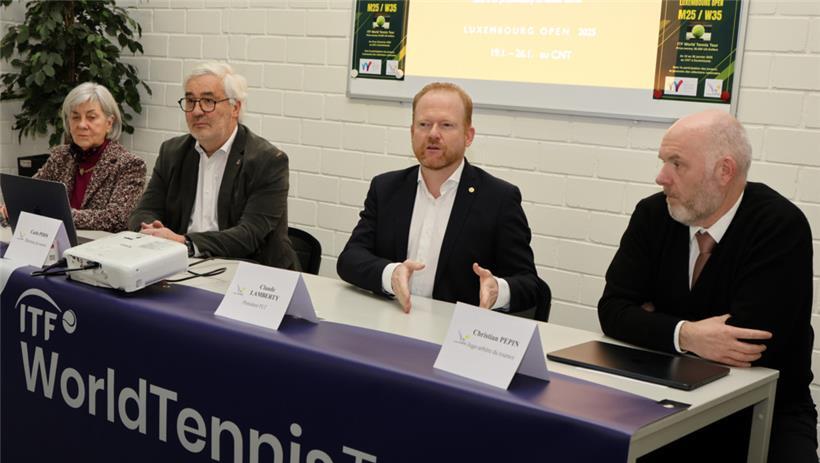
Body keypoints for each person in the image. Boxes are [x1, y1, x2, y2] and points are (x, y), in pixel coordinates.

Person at [598, 110, 818, 463]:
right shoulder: (653, 215)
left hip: (763, 410)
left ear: (724, 171)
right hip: (665, 401)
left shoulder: (779, 225)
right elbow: (612, 311)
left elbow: (751, 343)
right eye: (664, 161)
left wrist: (653, 322)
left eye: (677, 163)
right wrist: (689, 334)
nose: (661, 177)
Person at [337, 82, 539, 314]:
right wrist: (391, 275)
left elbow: (530, 284)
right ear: (412, 131)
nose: (433, 134)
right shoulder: (386, 188)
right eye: (424, 124)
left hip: (458, 335)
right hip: (391, 323)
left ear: (468, 135)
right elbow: (350, 260)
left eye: (446, 125)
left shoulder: (499, 199)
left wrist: (498, 290)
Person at [128, 62, 297, 269]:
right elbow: (143, 211)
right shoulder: (172, 153)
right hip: (184, 268)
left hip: (250, 277)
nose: (197, 111)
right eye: (190, 101)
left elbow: (249, 235)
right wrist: (150, 229)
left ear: (235, 108)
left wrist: (185, 243)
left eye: (208, 101)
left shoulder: (267, 160)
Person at [2, 82, 146, 232]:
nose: (82, 125)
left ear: (109, 123)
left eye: (91, 117)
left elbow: (116, 219)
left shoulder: (130, 164)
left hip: (98, 249)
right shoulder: (61, 156)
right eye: (75, 117)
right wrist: (14, 204)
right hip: (52, 243)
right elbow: (30, 194)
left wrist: (57, 214)